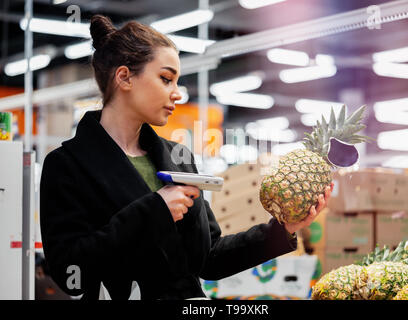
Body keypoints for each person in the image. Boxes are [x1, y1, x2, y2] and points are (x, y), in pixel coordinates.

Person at [39, 14, 332, 300]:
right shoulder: (67, 165)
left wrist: (281, 231)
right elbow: (70, 272)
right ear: (125, 77)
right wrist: (154, 211)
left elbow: (209, 259)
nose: (177, 93)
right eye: (166, 79)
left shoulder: (178, 159)